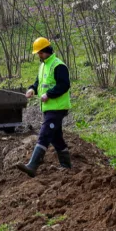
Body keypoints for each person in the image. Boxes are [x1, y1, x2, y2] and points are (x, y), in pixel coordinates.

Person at [17, 37, 72, 177]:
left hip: (57, 107)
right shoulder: (42, 66)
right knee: (56, 137)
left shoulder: (58, 65)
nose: (39, 56)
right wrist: (32, 90)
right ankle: (66, 166)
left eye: (40, 53)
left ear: (47, 50)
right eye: (38, 54)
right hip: (48, 108)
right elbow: (38, 83)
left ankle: (33, 165)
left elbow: (64, 85)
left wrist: (49, 94)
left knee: (45, 133)